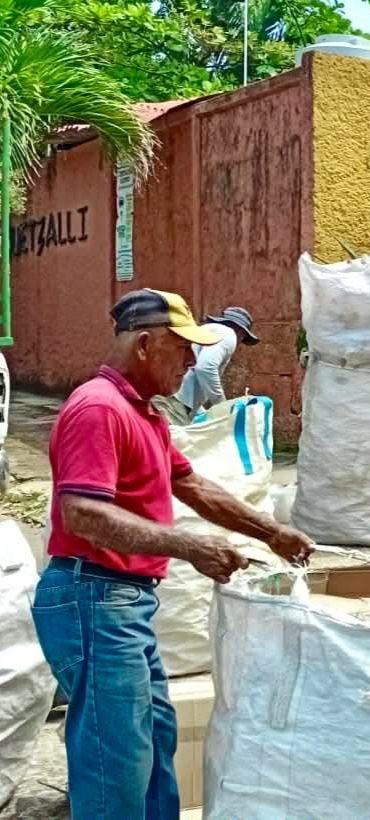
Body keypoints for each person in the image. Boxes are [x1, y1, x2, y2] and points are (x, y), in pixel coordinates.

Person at [31, 289, 314, 820]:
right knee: (116, 762)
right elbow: (82, 515)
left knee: (154, 747)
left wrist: (270, 531)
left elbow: (194, 486)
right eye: (182, 348)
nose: (191, 360)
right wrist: (188, 546)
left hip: (121, 603)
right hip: (92, 598)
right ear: (144, 345)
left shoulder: (145, 414)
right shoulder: (98, 408)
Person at [160, 305, 261, 424]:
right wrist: (222, 406)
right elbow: (205, 367)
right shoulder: (229, 335)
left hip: (169, 395)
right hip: (175, 400)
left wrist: (202, 412)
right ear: (241, 332)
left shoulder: (208, 329)